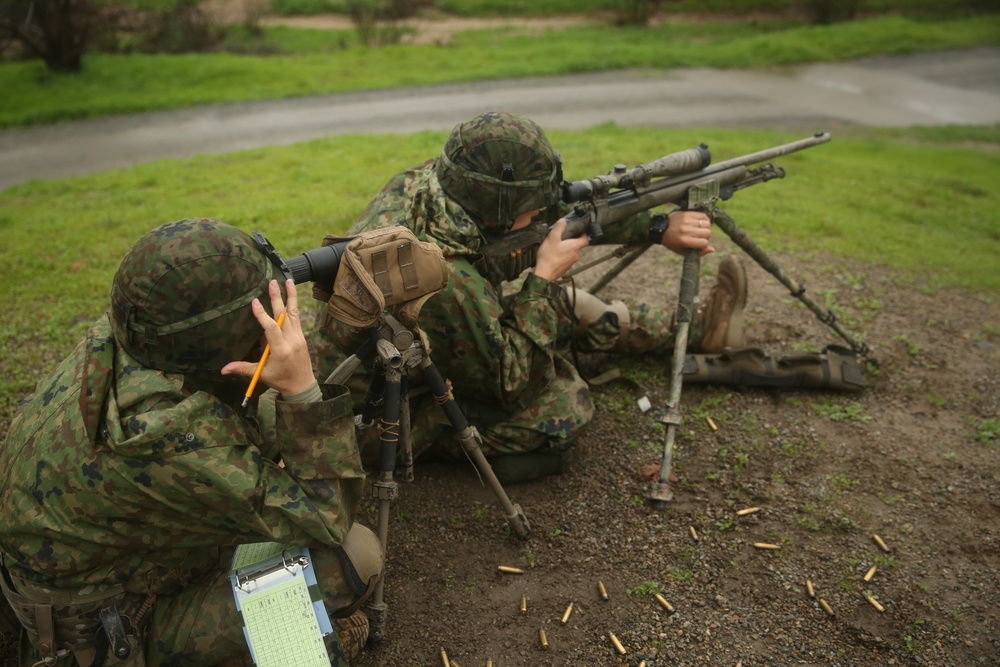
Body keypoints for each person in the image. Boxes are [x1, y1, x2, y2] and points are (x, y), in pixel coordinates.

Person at [0, 218, 383, 666]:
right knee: (354, 556)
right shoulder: (166, 434)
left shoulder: (136, 335)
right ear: (227, 351)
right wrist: (301, 388)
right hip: (106, 627)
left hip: (78, 564)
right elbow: (326, 516)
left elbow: (235, 412)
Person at [311, 111, 748, 483]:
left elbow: (553, 219)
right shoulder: (443, 280)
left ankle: (693, 330)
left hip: (410, 347)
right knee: (563, 407)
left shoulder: (433, 188)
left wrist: (655, 228)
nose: (541, 211)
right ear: (499, 207)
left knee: (566, 309)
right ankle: (445, 441)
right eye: (532, 203)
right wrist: (542, 278)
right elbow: (510, 384)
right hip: (376, 411)